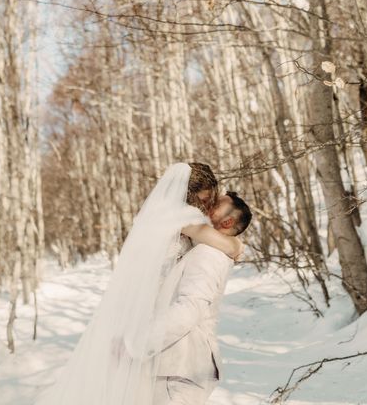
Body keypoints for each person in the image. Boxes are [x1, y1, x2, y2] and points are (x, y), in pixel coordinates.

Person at [38, 162, 244, 405]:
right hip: (163, 354)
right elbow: (218, 245)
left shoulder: (168, 221)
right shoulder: (182, 220)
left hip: (167, 355)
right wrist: (235, 246)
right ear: (194, 194)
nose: (209, 206)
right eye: (209, 197)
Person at [151, 192, 253, 405]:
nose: (207, 207)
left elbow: (188, 309)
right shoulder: (202, 248)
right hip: (176, 366)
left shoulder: (209, 254)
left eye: (215, 206)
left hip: (182, 366)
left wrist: (138, 343)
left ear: (227, 221)